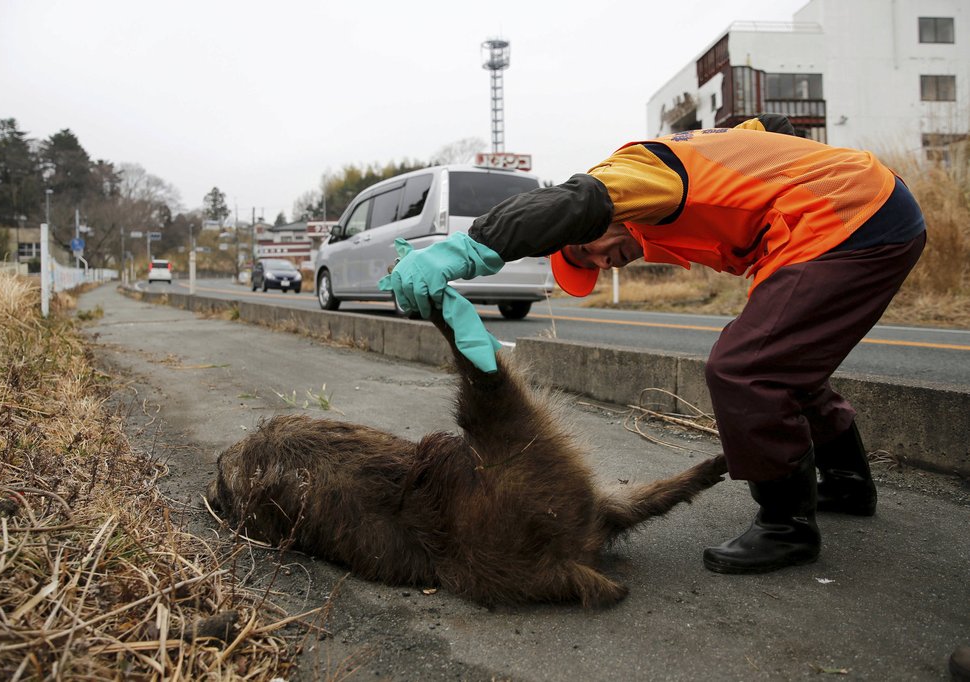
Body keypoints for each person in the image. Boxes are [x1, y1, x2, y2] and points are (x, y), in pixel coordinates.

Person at [378, 114, 926, 575]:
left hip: (845, 218)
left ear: (598, 218)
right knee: (786, 363)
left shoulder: (637, 174)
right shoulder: (681, 179)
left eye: (587, 249)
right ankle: (848, 484)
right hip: (854, 212)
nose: (599, 261)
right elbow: (766, 127)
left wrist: (467, 249)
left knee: (746, 369)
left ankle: (787, 527)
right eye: (588, 266)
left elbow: (576, 200)